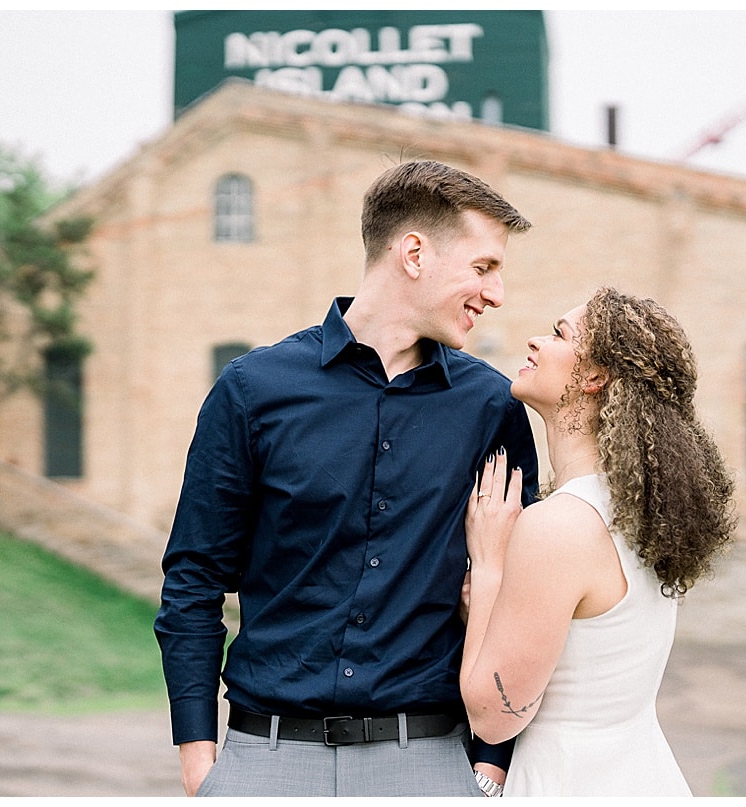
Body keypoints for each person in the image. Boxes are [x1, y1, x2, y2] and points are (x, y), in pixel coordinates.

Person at [153, 160, 541, 797]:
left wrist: (492, 758)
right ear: (413, 253)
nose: (495, 294)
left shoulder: (492, 409)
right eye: (483, 268)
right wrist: (199, 757)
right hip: (265, 759)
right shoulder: (253, 391)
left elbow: (516, 594)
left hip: (431, 763)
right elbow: (194, 578)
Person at [460, 287, 736, 796]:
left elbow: (493, 717)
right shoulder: (635, 511)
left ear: (594, 377)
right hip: (640, 772)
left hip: (569, 780)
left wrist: (490, 565)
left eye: (560, 334)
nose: (536, 341)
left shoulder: (560, 526)